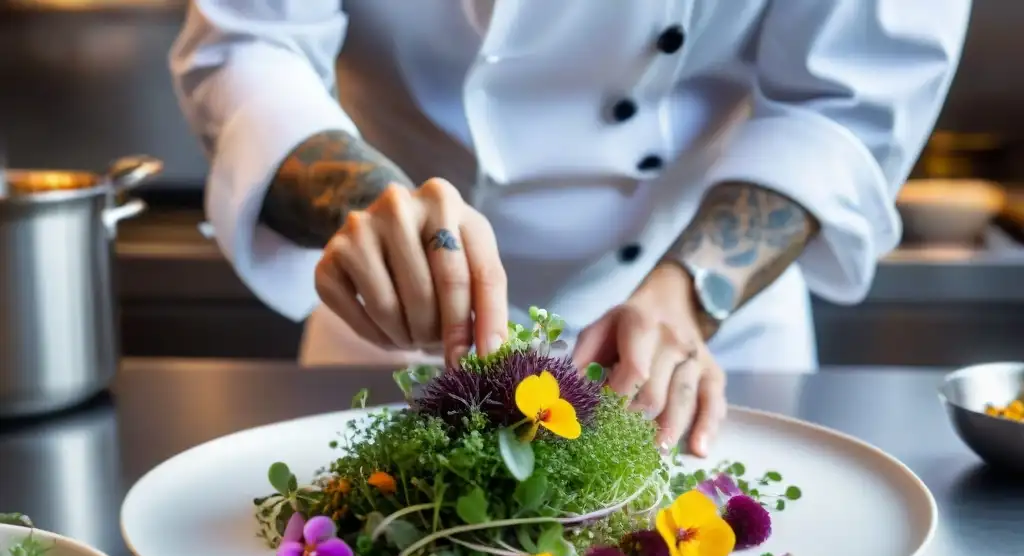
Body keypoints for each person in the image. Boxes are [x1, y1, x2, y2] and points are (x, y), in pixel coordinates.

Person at [170, 1, 970, 457]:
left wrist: (688, 297)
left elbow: (849, 101)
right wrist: (372, 209)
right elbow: (248, 43)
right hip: (393, 318)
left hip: (696, 338)